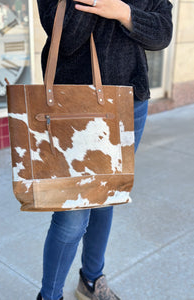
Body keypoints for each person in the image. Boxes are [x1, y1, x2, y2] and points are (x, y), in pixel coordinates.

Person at [36, 0, 173, 299]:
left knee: (106, 199)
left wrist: (124, 12)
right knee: (71, 215)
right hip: (74, 107)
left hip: (129, 102)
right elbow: (67, 36)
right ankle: (49, 296)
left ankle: (91, 279)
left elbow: (162, 33)